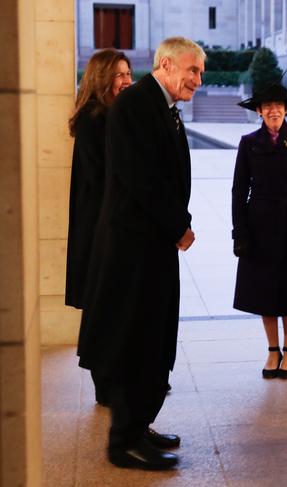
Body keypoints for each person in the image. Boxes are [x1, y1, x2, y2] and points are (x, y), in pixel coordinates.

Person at [77, 37, 205, 470]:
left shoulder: (161, 106)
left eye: (200, 72)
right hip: (134, 250)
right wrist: (178, 226)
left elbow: (167, 176)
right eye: (193, 70)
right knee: (135, 342)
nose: (198, 79)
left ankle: (138, 426)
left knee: (153, 339)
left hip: (152, 246)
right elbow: (140, 178)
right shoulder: (135, 105)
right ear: (167, 65)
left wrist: (177, 222)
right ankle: (123, 441)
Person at [233, 84, 287, 379]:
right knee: (265, 289)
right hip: (260, 226)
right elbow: (238, 191)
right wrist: (240, 233)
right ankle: (273, 349)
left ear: (286, 109)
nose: (274, 110)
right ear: (259, 111)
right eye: (267, 106)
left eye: (279, 105)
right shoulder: (249, 143)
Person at [66, 48, 132, 406]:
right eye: (120, 75)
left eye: (127, 73)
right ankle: (106, 384)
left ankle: (118, 376)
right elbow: (105, 177)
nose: (127, 81)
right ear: (102, 78)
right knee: (102, 305)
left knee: (111, 304)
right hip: (99, 228)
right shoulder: (95, 118)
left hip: (108, 223)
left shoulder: (111, 115)